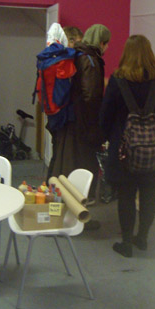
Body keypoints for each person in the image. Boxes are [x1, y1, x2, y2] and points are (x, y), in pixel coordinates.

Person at [99, 35, 155, 257]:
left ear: (127, 53)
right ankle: (142, 238)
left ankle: (126, 242)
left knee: (126, 194)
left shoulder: (117, 80)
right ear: (149, 53)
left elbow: (105, 117)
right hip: (154, 150)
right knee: (148, 193)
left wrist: (114, 137)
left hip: (123, 151)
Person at [47, 24, 110, 210]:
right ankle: (77, 210)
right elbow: (90, 96)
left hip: (68, 120)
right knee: (82, 167)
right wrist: (96, 126)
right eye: (106, 43)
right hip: (82, 124)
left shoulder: (76, 55)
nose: (107, 48)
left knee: (64, 165)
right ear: (101, 42)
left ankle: (58, 206)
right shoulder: (90, 59)